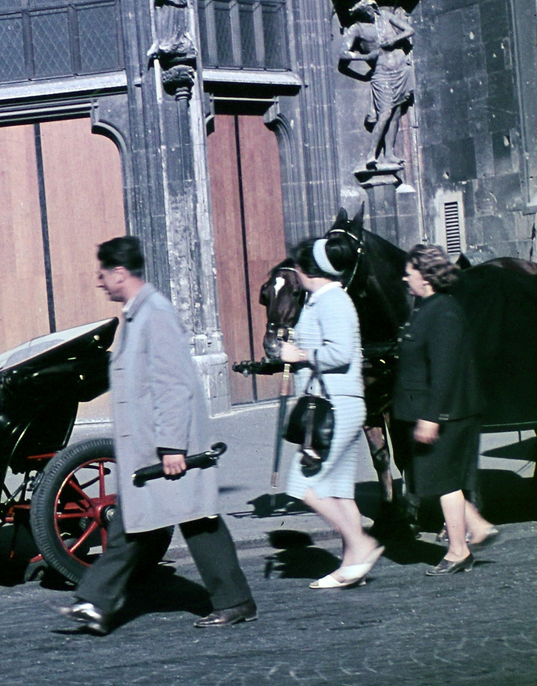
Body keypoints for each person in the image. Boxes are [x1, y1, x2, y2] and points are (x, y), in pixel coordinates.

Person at [59, 236, 256, 634]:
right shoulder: (137, 315)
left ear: (120, 272)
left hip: (163, 448)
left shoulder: (155, 313)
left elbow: (173, 384)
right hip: (147, 450)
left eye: (102, 274)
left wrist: (172, 446)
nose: (99, 282)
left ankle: (235, 601)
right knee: (136, 527)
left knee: (195, 522)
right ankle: (94, 604)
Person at [276, 234, 385, 589]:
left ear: (307, 270)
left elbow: (340, 354)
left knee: (306, 486)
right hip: (338, 403)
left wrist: (300, 355)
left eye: (296, 267)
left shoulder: (332, 301)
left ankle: (360, 545)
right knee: (339, 491)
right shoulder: (321, 300)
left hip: (335, 405)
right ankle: (352, 566)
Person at [395, 243, 494, 574]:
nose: (404, 278)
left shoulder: (443, 312)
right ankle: (477, 527)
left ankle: (457, 551)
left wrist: (430, 417)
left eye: (409, 272)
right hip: (433, 411)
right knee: (436, 479)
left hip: (446, 414)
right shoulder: (426, 307)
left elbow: (445, 372)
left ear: (425, 277)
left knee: (443, 482)